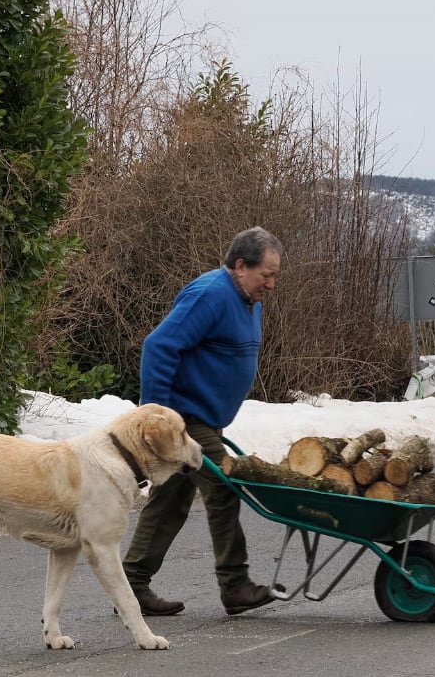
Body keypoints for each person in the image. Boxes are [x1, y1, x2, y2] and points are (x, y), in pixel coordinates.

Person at [122, 226, 283, 617]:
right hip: (182, 419)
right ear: (241, 266)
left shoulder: (249, 298)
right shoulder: (210, 295)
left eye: (274, 275)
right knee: (225, 485)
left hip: (203, 420)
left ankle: (129, 585)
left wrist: (216, 419)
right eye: (266, 274)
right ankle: (235, 585)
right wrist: (157, 419)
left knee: (171, 499)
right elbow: (159, 346)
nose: (271, 284)